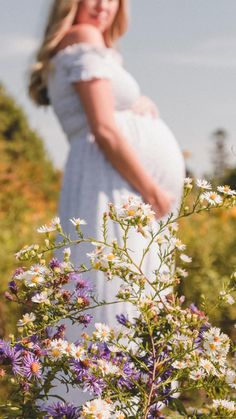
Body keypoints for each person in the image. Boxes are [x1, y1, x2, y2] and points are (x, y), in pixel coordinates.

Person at [28, 0, 186, 403]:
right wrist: (153, 190)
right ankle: (111, 405)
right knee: (117, 297)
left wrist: (137, 105)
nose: (102, 5)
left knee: (114, 296)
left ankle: (108, 403)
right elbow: (104, 130)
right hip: (111, 185)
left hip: (107, 180)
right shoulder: (82, 38)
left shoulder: (83, 46)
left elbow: (105, 116)